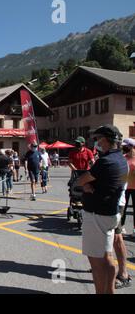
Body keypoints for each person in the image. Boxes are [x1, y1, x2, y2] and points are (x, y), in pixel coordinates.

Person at [77, 125, 128, 294]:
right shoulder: (121, 159)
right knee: (107, 257)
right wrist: (89, 184)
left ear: (105, 140)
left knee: (97, 262)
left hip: (97, 214)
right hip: (110, 212)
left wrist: (85, 185)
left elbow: (81, 180)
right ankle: (110, 291)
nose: (97, 142)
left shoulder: (105, 161)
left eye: (98, 139)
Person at [114, 182, 132, 289]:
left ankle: (123, 274)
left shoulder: (121, 164)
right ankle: (104, 267)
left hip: (115, 203)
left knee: (117, 238)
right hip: (110, 202)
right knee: (111, 238)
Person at [121, 138, 135, 237]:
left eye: (126, 146)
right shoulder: (123, 157)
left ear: (131, 146)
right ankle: (121, 227)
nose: (123, 147)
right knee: (123, 208)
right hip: (125, 187)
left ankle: (134, 230)